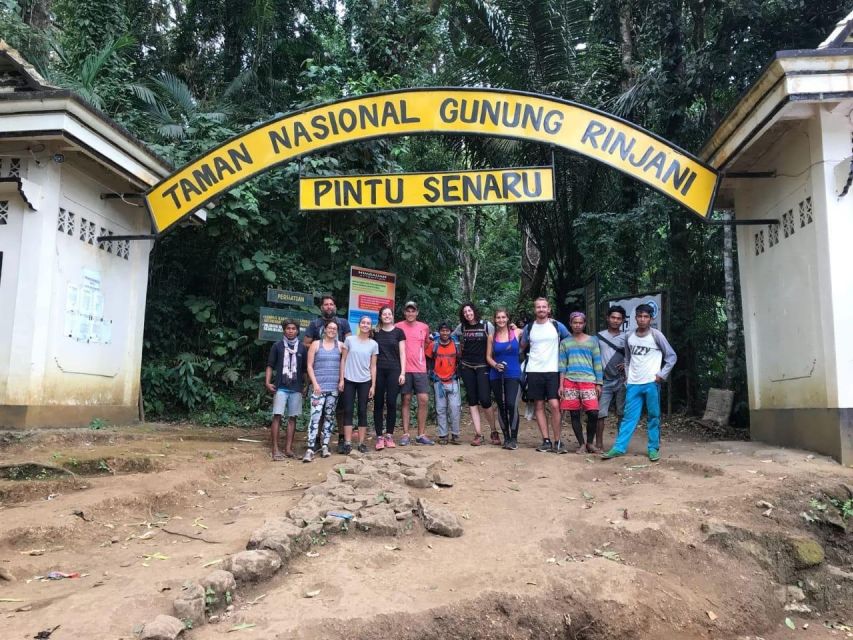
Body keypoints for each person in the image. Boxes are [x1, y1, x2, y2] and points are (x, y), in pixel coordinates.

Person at [602, 304, 677, 462]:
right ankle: (619, 447)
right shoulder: (630, 336)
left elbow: (671, 356)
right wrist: (628, 376)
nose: (642, 319)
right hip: (633, 384)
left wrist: (661, 375)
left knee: (653, 416)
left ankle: (653, 448)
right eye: (640, 316)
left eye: (646, 317)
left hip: (651, 383)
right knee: (629, 417)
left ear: (651, 318)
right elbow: (628, 359)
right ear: (635, 318)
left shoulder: (657, 335)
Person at [519, 298, 571, 453]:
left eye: (544, 307)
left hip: (553, 370)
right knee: (539, 405)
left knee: (555, 405)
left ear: (549, 309)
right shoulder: (529, 328)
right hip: (534, 370)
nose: (541, 309)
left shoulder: (557, 326)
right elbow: (522, 346)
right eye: (538, 307)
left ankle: (558, 441)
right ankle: (546, 440)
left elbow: (569, 341)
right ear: (535, 310)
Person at [303, 295, 352, 453]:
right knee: (320, 410)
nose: (329, 306)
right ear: (321, 307)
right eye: (326, 304)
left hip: (340, 374)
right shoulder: (315, 324)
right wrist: (322, 345)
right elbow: (305, 342)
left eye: (331, 304)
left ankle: (342, 439)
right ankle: (317, 440)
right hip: (320, 373)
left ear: (335, 306)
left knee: (341, 409)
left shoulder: (343, 323)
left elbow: (350, 343)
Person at [559, 312, 603, 453]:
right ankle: (581, 444)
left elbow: (597, 363)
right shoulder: (565, 342)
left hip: (588, 381)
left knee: (593, 413)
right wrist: (561, 385)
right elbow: (562, 365)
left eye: (580, 322)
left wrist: (599, 383)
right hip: (570, 381)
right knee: (574, 414)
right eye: (574, 322)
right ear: (570, 324)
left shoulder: (592, 341)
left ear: (584, 324)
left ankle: (590, 442)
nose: (577, 325)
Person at [454, 303, 497, 446]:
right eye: (465, 312)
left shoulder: (486, 325)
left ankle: (493, 430)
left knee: (485, 399)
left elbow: (498, 338)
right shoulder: (462, 327)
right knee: (472, 400)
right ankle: (478, 434)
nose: (467, 313)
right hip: (467, 367)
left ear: (474, 311)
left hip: (483, 366)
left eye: (469, 310)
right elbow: (452, 336)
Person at [265, 319, 308, 460]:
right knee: (277, 415)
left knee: (292, 418)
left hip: (296, 388)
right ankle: (275, 449)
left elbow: (304, 370)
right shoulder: (277, 346)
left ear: (297, 331)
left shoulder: (302, 348)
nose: (290, 331)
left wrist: (306, 385)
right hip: (281, 387)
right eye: (288, 328)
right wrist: (267, 382)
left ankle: (288, 448)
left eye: (293, 328)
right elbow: (270, 365)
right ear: (284, 330)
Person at [303, 320, 345, 462]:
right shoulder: (316, 344)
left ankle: (325, 445)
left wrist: (341, 380)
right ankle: (310, 447)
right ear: (324, 329)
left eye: (335, 328)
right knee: (315, 417)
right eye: (330, 328)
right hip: (318, 388)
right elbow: (309, 366)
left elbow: (343, 364)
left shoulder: (340, 346)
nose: (332, 330)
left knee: (329, 417)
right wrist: (315, 384)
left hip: (333, 388)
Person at [396, 301, 434, 446]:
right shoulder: (398, 326)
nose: (410, 313)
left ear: (417, 312)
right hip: (404, 369)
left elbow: (426, 344)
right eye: (408, 311)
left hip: (420, 369)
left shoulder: (424, 327)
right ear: (404, 312)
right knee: (405, 399)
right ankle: (405, 434)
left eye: (413, 311)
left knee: (423, 399)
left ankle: (421, 434)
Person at [339, 316, 378, 455]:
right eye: (363, 322)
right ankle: (348, 443)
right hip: (349, 379)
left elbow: (373, 366)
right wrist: (341, 379)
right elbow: (343, 360)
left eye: (368, 323)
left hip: (365, 380)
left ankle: (361, 443)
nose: (365, 325)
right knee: (348, 410)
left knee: (362, 411)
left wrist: (373, 385)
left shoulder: (373, 344)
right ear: (359, 324)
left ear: (371, 326)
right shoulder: (349, 340)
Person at [486, 308, 523, 450]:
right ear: (495, 320)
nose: (501, 320)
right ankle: (506, 437)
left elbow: (530, 335)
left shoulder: (517, 332)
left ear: (508, 318)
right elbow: (488, 356)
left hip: (513, 373)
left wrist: (517, 327)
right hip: (496, 375)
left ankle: (514, 438)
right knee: (501, 406)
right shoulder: (492, 336)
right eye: (498, 318)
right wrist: (495, 365)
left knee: (511, 404)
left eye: (503, 317)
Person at [373, 305, 406, 450]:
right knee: (378, 403)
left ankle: (389, 435)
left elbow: (403, 353)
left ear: (392, 316)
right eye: (384, 314)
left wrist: (403, 373)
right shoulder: (375, 332)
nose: (387, 316)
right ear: (380, 316)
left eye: (389, 314)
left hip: (394, 370)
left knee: (392, 403)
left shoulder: (399, 332)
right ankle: (379, 437)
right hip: (378, 370)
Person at [597, 305, 627, 448]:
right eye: (613, 317)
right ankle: (599, 444)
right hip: (604, 381)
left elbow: (634, 355)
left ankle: (620, 444)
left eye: (619, 318)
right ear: (608, 318)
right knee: (600, 413)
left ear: (623, 321)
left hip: (622, 380)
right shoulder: (599, 336)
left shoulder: (627, 337)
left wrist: (627, 364)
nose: (615, 320)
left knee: (621, 413)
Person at [428, 321, 462, 445]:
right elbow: (428, 359)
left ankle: (455, 434)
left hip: (453, 380)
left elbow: (460, 359)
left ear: (450, 331)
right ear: (440, 331)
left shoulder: (456, 344)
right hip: (438, 381)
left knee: (454, 408)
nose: (445, 333)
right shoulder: (434, 345)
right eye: (443, 330)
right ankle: (443, 435)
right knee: (441, 409)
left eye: (447, 330)